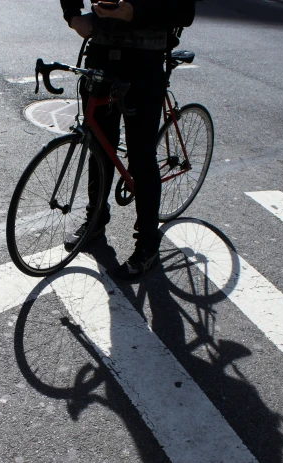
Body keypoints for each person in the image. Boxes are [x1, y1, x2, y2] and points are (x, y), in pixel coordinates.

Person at [61, 0, 168, 280]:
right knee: (98, 144)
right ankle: (95, 219)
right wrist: (73, 15)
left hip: (145, 61)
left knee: (141, 156)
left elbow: (185, 11)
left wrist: (136, 11)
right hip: (101, 53)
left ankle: (148, 244)